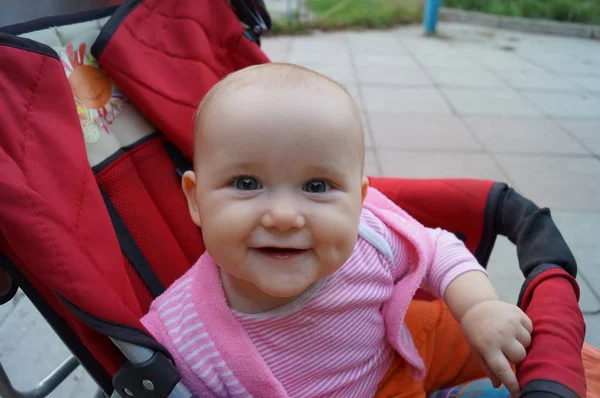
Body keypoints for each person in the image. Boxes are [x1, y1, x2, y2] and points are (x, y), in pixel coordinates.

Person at [140, 63, 532, 398]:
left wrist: (479, 306)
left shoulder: (370, 239)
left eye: (316, 187)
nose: (283, 216)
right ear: (195, 200)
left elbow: (438, 249)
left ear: (359, 200)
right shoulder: (181, 333)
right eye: (246, 183)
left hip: (393, 379)